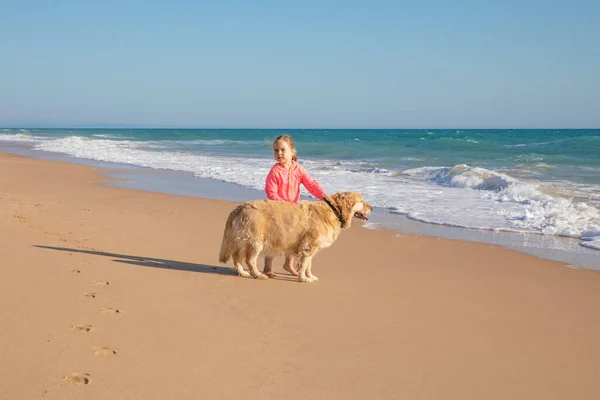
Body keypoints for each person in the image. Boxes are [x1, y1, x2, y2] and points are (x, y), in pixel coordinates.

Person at [263, 134, 327, 278]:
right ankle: (267, 267)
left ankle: (288, 264)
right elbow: (270, 191)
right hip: (277, 210)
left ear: (292, 151)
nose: (279, 153)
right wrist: (282, 204)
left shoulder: (298, 169)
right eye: (276, 151)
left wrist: (323, 196)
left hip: (294, 210)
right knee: (274, 238)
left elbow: (311, 184)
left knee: (293, 238)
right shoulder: (275, 171)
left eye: (282, 150)